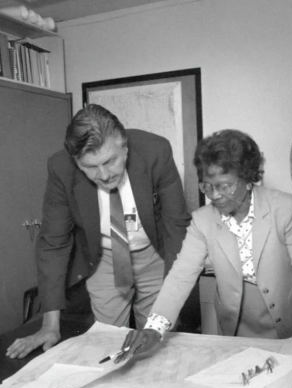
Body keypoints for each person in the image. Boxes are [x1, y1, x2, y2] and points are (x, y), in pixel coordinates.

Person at [115, 129, 292, 363]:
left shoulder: (286, 210)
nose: (215, 195)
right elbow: (181, 275)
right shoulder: (202, 220)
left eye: (224, 185)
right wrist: (153, 329)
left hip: (290, 322)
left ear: (248, 178)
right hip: (235, 325)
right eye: (207, 186)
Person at [6, 104, 191, 359]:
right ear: (76, 161)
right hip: (103, 258)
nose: (103, 175)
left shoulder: (155, 151)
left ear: (124, 147)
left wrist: (173, 291)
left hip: (154, 254)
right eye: (91, 167)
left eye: (110, 161)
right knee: (108, 345)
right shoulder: (61, 167)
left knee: (158, 344)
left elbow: (176, 224)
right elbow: (54, 243)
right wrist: (50, 326)